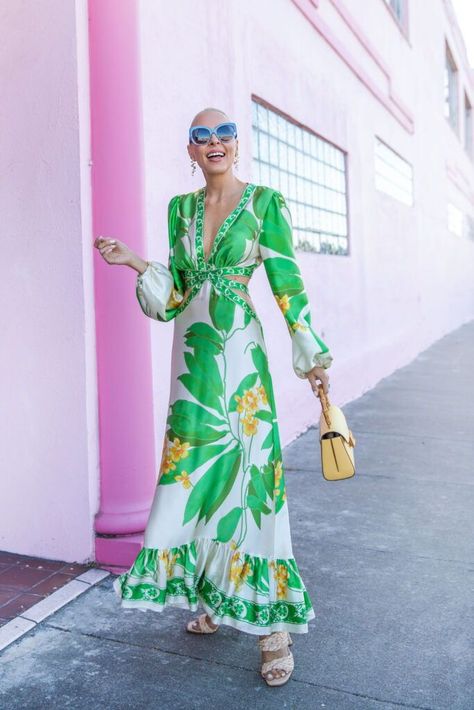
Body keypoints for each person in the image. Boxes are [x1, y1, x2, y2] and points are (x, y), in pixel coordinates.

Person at [94, 106, 333, 687]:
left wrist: (311, 357)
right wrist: (133, 262)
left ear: (237, 144)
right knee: (194, 476)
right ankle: (215, 593)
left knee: (252, 481)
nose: (215, 142)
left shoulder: (265, 204)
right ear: (191, 150)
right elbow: (174, 296)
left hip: (241, 364)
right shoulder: (180, 210)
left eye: (224, 132)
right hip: (192, 366)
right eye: (202, 136)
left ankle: (273, 627)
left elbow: (286, 281)